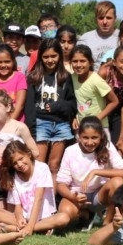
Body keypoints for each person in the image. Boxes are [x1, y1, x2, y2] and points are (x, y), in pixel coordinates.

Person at [56, 116, 123, 230]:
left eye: (94, 137)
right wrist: (73, 196)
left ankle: (107, 223)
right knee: (66, 213)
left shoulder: (107, 146)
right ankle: (85, 214)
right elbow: (61, 184)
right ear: (79, 136)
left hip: (98, 195)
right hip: (77, 194)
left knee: (118, 182)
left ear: (101, 136)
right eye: (85, 137)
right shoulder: (70, 151)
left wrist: (95, 172)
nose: (90, 142)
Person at [0, 140, 70, 235]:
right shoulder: (14, 175)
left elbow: (38, 199)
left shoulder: (42, 168)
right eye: (15, 163)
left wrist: (30, 227)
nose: (19, 164)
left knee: (64, 218)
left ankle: (15, 228)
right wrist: (19, 218)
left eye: (21, 158)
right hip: (24, 217)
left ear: (28, 154)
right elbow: (17, 205)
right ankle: (39, 228)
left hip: (42, 217)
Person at [23, 38, 76, 178]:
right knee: (39, 163)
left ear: (59, 55)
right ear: (40, 57)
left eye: (54, 56)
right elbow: (29, 106)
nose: (50, 60)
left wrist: (58, 106)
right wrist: (32, 128)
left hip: (61, 124)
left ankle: (51, 199)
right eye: (46, 57)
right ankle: (36, 197)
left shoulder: (65, 77)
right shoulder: (34, 77)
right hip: (40, 123)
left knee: (54, 165)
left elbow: (72, 104)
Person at [0, 90, 38, 207]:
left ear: (8, 107)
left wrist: (10, 154)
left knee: (14, 207)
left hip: (14, 171)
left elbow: (35, 152)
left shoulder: (19, 127)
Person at [100, 45, 123, 158]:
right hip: (101, 112)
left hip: (117, 115)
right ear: (114, 62)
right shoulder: (105, 73)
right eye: (122, 61)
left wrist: (122, 137)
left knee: (118, 152)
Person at [71, 44, 119, 132]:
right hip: (81, 126)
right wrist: (75, 117)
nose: (78, 65)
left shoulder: (96, 80)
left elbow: (114, 101)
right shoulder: (73, 77)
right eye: (75, 61)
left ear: (91, 62)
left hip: (99, 127)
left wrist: (97, 119)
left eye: (82, 61)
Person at [0, 44, 27, 122]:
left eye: (7, 62)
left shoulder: (20, 77)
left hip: (14, 125)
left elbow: (19, 106)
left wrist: (7, 125)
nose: (3, 65)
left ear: (13, 61)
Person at [79, 0, 119, 69]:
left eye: (109, 18)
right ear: (95, 19)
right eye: (101, 18)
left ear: (115, 19)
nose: (105, 22)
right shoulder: (85, 39)